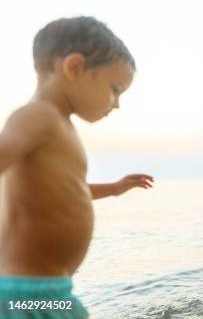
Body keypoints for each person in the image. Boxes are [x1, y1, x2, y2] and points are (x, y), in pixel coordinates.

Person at [0, 17, 153, 318]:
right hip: (25, 296)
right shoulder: (38, 116)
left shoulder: (58, 125)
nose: (117, 103)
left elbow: (63, 193)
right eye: (115, 89)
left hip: (48, 292)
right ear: (74, 68)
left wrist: (114, 188)